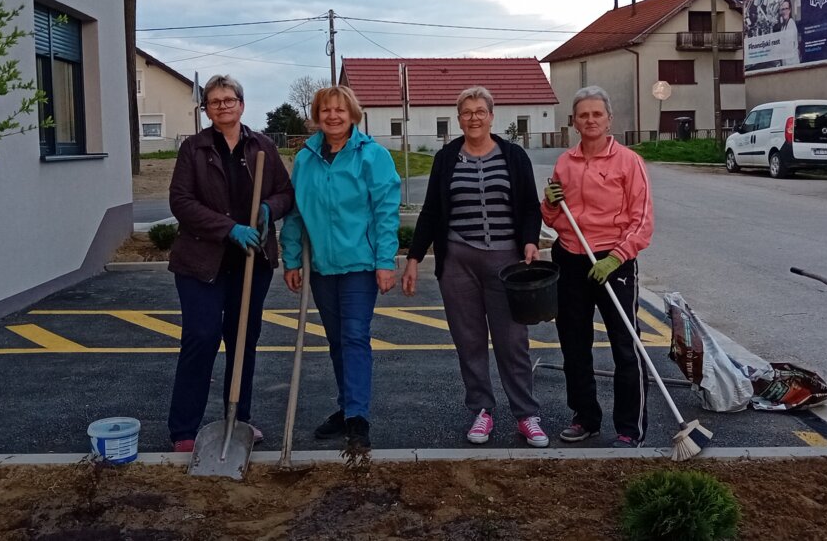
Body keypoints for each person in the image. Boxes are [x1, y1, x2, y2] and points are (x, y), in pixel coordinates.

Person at [401, 86, 548, 448]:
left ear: (491, 116)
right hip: (458, 261)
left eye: (480, 111)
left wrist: (530, 239)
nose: (473, 118)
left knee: (513, 341)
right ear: (458, 118)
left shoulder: (513, 156)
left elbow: (531, 206)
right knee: (469, 341)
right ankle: (481, 410)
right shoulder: (446, 158)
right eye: (466, 112)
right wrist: (414, 257)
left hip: (506, 261)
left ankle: (526, 414)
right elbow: (432, 211)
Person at [166, 75, 295, 453]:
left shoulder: (263, 146)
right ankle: (184, 428)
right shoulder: (194, 148)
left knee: (243, 340)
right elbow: (181, 202)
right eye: (215, 101)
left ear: (241, 104)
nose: (223, 106)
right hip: (201, 261)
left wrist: (271, 208)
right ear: (206, 108)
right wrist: (228, 228)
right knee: (202, 337)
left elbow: (286, 192)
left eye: (229, 99)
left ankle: (239, 418)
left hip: (252, 261)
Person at [280, 85, 401, 449]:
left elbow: (385, 212)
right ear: (317, 116)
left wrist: (384, 261)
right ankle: (347, 405)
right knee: (336, 341)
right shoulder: (306, 158)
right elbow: (296, 212)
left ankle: (357, 418)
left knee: (353, 337)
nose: (333, 116)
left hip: (359, 266)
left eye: (340, 110)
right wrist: (290, 259)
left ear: (353, 114)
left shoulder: (372, 156)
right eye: (326, 110)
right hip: (321, 267)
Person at [541, 86, 653, 448]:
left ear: (609, 120)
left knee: (625, 345)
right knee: (574, 345)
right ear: (574, 122)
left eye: (596, 114)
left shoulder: (628, 162)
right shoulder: (565, 163)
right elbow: (553, 219)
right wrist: (550, 203)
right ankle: (585, 417)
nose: (590, 120)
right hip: (571, 258)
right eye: (583, 115)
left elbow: (642, 221)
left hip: (613, 262)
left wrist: (617, 257)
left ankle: (629, 428)